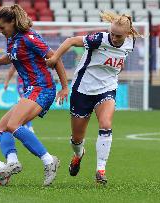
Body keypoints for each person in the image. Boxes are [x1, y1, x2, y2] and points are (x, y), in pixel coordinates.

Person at [46, 11, 141, 184]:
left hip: (106, 89)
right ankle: (78, 154)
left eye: (118, 35)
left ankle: (100, 170)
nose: (114, 37)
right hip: (82, 90)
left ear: (127, 34)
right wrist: (55, 57)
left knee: (105, 124)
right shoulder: (98, 39)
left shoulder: (130, 42)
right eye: (112, 33)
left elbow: (120, 59)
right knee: (77, 139)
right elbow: (70, 41)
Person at [0, 4, 69, 186]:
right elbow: (11, 56)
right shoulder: (12, 38)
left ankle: (49, 160)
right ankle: (13, 162)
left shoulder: (29, 37)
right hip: (31, 89)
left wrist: (64, 87)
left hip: (43, 88)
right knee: (0, 128)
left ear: (12, 22)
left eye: (2, 27)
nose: (0, 31)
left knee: (14, 124)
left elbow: (55, 58)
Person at [4, 64, 34, 132]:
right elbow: (12, 69)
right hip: (22, 83)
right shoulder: (17, 55)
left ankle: (25, 125)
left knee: (27, 105)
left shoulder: (32, 56)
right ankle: (28, 126)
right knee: (25, 104)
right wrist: (6, 82)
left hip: (32, 83)